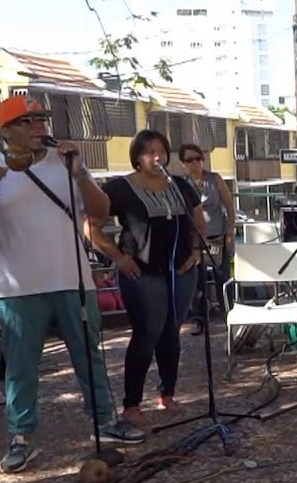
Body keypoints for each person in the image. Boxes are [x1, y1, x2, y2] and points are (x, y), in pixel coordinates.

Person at [0, 96, 142, 475]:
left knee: (89, 355)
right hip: (18, 286)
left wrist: (80, 173)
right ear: (6, 130)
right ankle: (21, 436)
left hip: (72, 278)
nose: (38, 127)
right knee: (20, 365)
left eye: (41, 120)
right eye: (26, 122)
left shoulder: (65, 162)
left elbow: (100, 211)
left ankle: (105, 421)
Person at [87, 130, 208, 424]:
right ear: (137, 157)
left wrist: (195, 251)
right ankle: (132, 404)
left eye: (161, 151)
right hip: (142, 273)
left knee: (171, 331)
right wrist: (118, 257)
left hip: (180, 271)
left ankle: (167, 393)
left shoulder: (178, 185)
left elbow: (198, 218)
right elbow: (91, 225)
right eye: (150, 152)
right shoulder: (120, 188)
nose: (157, 157)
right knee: (147, 333)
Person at [179, 142, 236, 334]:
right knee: (198, 282)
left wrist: (230, 231)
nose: (195, 163)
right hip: (195, 241)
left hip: (218, 237)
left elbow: (229, 206)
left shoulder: (214, 179)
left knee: (223, 278)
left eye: (198, 158)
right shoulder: (182, 184)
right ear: (183, 164)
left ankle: (229, 316)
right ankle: (199, 320)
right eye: (190, 160)